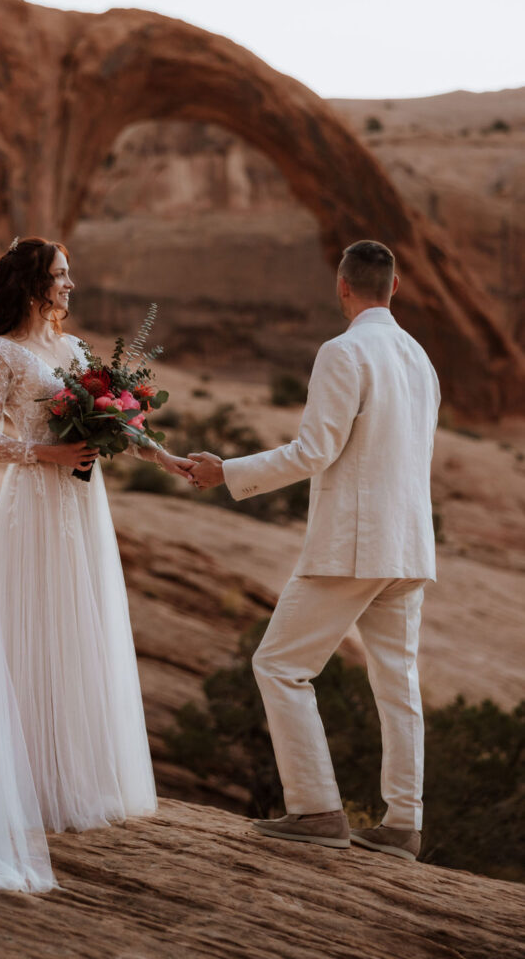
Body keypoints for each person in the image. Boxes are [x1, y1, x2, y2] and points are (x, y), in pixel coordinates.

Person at [0, 236, 193, 891]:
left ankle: (73, 786)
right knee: (31, 632)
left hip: (83, 512)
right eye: (61, 275)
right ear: (34, 284)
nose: (71, 284)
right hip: (33, 508)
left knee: (77, 634)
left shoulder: (77, 351)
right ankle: (20, 789)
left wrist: (166, 458)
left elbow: (116, 420)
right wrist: (48, 456)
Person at [188, 240, 440, 862]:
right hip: (409, 547)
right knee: (398, 685)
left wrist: (229, 472)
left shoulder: (344, 350)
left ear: (341, 286)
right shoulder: (421, 359)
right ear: (395, 287)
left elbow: (314, 451)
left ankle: (317, 808)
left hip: (353, 547)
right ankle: (404, 825)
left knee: (278, 665)